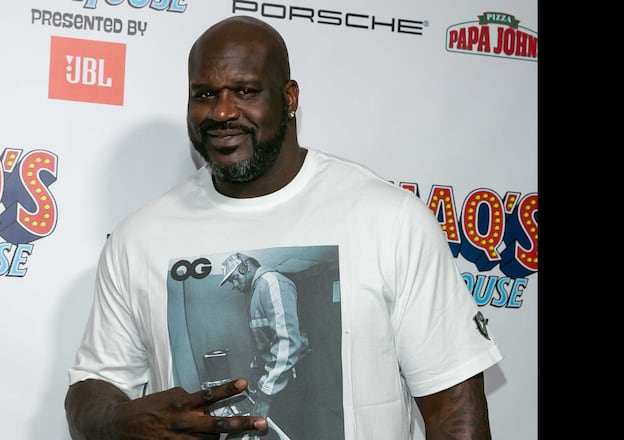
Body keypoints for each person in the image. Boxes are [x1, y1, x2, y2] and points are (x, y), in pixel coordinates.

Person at [65, 14, 503, 440]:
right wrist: (117, 424)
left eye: (245, 90)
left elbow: (453, 411)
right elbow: (93, 388)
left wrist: (261, 394)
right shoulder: (140, 236)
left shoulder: (389, 219)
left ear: (289, 98)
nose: (221, 111)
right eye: (204, 94)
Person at [218, 253, 310, 436]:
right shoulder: (256, 292)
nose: (235, 286)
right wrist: (254, 379)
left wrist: (265, 396)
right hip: (275, 378)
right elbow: (263, 344)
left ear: (246, 267)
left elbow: (288, 344)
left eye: (235, 278)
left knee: (290, 432)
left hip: (289, 379)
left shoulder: (272, 283)